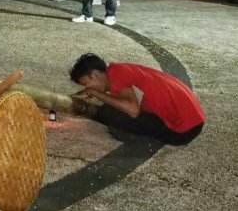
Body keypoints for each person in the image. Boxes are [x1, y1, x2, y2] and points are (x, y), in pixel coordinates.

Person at [70, 53, 205, 146]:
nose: (87, 88)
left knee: (109, 112)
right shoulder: (119, 70)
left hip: (182, 131)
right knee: (114, 105)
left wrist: (94, 92)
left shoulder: (117, 75)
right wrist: (89, 92)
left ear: (95, 75)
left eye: (86, 83)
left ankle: (135, 135)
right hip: (194, 120)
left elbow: (132, 110)